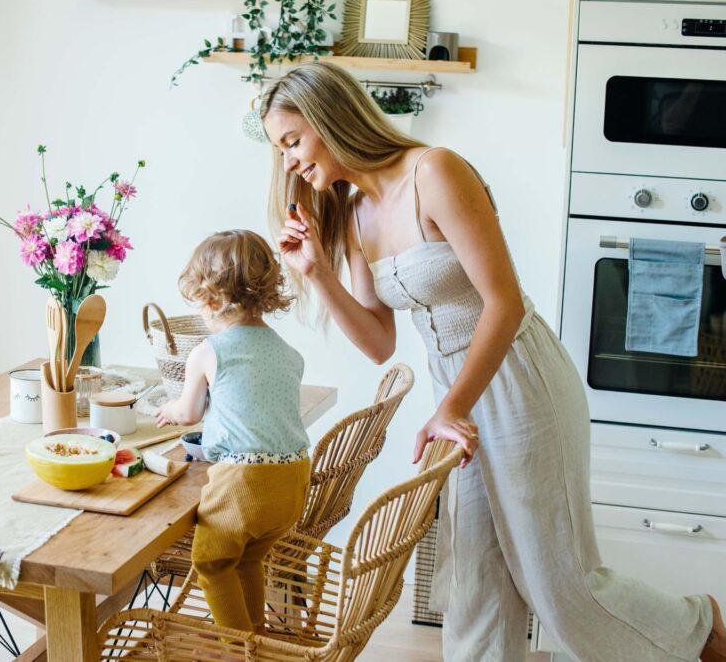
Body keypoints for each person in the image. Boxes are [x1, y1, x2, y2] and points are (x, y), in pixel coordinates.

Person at [262, 60, 723, 661]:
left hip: (520, 381)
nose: (290, 161)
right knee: (475, 583)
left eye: (293, 141)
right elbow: (379, 342)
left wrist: (451, 407)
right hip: (457, 401)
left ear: (330, 117)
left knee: (561, 587)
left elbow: (503, 304)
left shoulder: (436, 171)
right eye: (280, 150)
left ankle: (700, 630)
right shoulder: (352, 217)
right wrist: (319, 274)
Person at [156, 229, 311, 635]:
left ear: (209, 299)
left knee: (211, 563)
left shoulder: (209, 351)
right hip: (293, 480)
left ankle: (237, 652)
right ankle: (253, 640)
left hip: (246, 484)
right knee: (246, 561)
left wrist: (167, 410)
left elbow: (189, 413)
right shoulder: (286, 351)